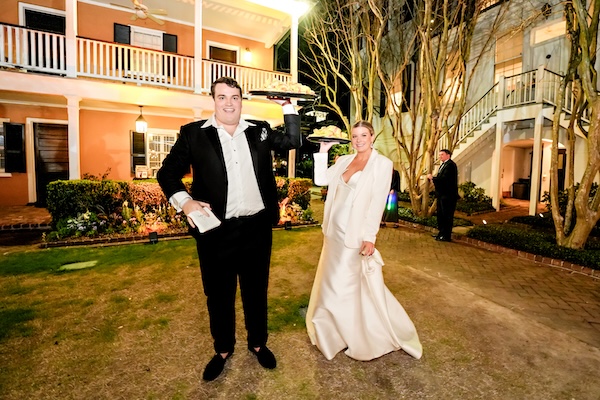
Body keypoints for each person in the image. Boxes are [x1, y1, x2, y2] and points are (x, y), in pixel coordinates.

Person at [157, 76, 301, 381]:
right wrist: (185, 202)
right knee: (218, 294)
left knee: (255, 290)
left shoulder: (258, 130)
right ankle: (222, 349)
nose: (229, 103)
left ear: (241, 101)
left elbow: (292, 141)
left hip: (257, 229)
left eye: (234, 97)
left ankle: (258, 344)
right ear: (213, 100)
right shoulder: (193, 134)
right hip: (215, 232)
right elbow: (166, 172)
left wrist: (288, 107)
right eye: (222, 97)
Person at [305, 120, 423, 361]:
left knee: (345, 283)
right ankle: (331, 328)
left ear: (372, 137)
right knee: (330, 281)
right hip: (333, 233)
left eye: (364, 135)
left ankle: (355, 333)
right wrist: (323, 152)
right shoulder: (344, 161)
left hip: (355, 234)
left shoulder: (382, 164)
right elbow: (321, 181)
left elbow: (377, 202)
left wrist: (370, 237)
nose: (359, 140)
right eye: (355, 136)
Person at [427, 149, 459, 242]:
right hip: (442, 195)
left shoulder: (451, 165)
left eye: (442, 154)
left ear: (448, 155)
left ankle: (446, 235)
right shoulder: (443, 164)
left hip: (448, 196)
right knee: (441, 215)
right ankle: (441, 233)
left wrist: (433, 178)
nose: (440, 156)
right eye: (439, 154)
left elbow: (445, 179)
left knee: (447, 215)